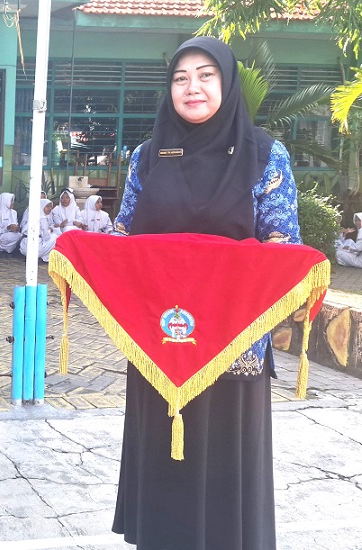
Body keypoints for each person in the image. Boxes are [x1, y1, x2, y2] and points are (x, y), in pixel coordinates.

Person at [110, 37, 301, 549]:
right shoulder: (148, 156)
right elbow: (124, 238)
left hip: (233, 345)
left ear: (228, 82)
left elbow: (283, 247)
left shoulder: (264, 154)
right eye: (180, 78)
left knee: (223, 476)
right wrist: (85, 253)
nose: (191, 87)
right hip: (159, 342)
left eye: (205, 75)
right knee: (162, 468)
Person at [19, 198, 58, 262]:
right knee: (55, 236)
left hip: (24, 247)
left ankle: (42, 257)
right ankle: (43, 257)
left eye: (51, 207)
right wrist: (49, 231)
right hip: (35, 248)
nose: (50, 209)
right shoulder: (43, 218)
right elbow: (46, 237)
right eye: (47, 206)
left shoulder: (33, 216)